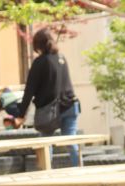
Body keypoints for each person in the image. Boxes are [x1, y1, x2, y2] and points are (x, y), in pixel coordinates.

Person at [14, 28, 81, 166]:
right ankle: (80, 170)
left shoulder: (40, 62)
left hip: (49, 110)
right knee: (71, 141)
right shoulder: (62, 58)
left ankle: (47, 174)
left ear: (38, 45)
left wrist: (21, 115)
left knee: (46, 142)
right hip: (70, 105)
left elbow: (29, 91)